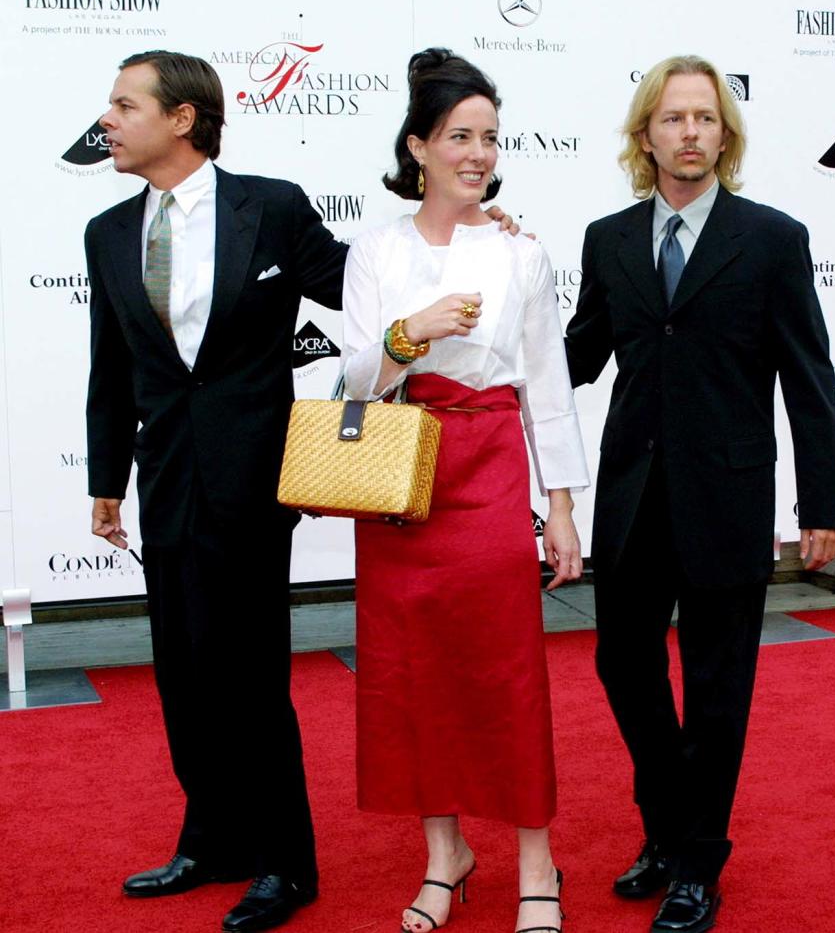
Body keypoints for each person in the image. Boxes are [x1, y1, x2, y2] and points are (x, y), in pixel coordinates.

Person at [86, 48, 520, 933]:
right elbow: (110, 369)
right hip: (167, 476)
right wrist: (106, 482)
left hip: (255, 478)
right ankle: (210, 841)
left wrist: (465, 226)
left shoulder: (271, 208)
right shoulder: (104, 233)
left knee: (249, 677)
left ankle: (286, 864)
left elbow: (362, 280)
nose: (108, 120)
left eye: (124, 105)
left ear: (181, 118)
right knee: (181, 673)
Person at [562, 55, 835, 933]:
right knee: (625, 668)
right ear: (644, 134)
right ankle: (668, 828)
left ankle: (695, 862)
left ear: (725, 135)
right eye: (674, 118)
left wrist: (823, 503)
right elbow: (574, 359)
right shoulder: (607, 238)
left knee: (720, 687)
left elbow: (809, 379)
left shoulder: (772, 238)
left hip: (725, 497)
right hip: (632, 499)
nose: (691, 132)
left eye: (706, 119)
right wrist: (505, 280)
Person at [340, 48, 589, 933]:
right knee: (411, 676)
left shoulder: (521, 249)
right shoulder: (375, 248)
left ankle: (537, 862)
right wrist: (409, 335)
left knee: (507, 673)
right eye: (459, 136)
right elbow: (356, 380)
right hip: (403, 475)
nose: (478, 153)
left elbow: (547, 385)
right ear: (418, 146)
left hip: (488, 467)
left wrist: (560, 506)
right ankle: (444, 856)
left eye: (488, 137)